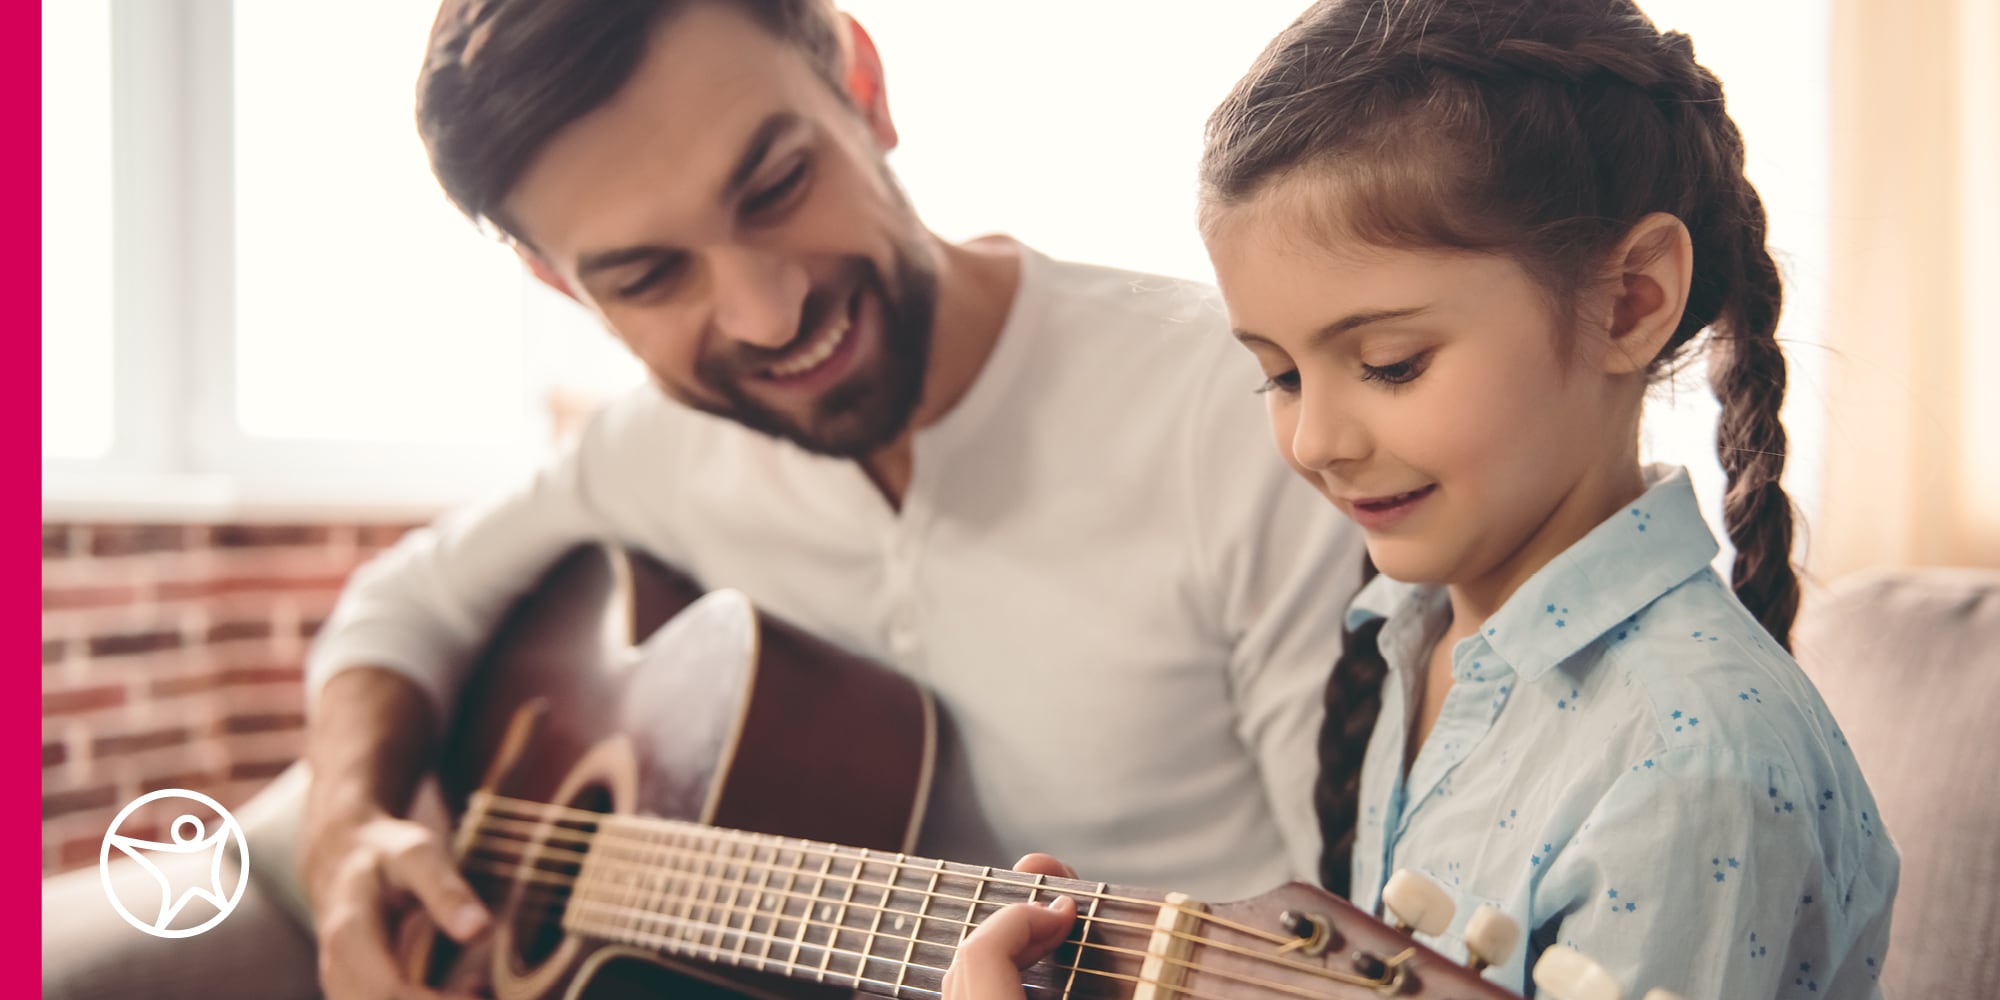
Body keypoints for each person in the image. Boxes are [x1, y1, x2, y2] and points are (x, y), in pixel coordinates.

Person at [266, 2, 1374, 999]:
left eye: (776, 185)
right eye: (648, 277)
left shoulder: (1244, 415)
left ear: (861, 86)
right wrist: (344, 824)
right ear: (561, 285)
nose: (763, 312)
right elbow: (400, 604)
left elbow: (1361, 917)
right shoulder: (657, 450)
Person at [946, 1, 1899, 997]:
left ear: (1629, 300)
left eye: (1389, 365)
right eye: (1278, 375)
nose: (1314, 441)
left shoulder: (1691, 765)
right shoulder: (1415, 638)